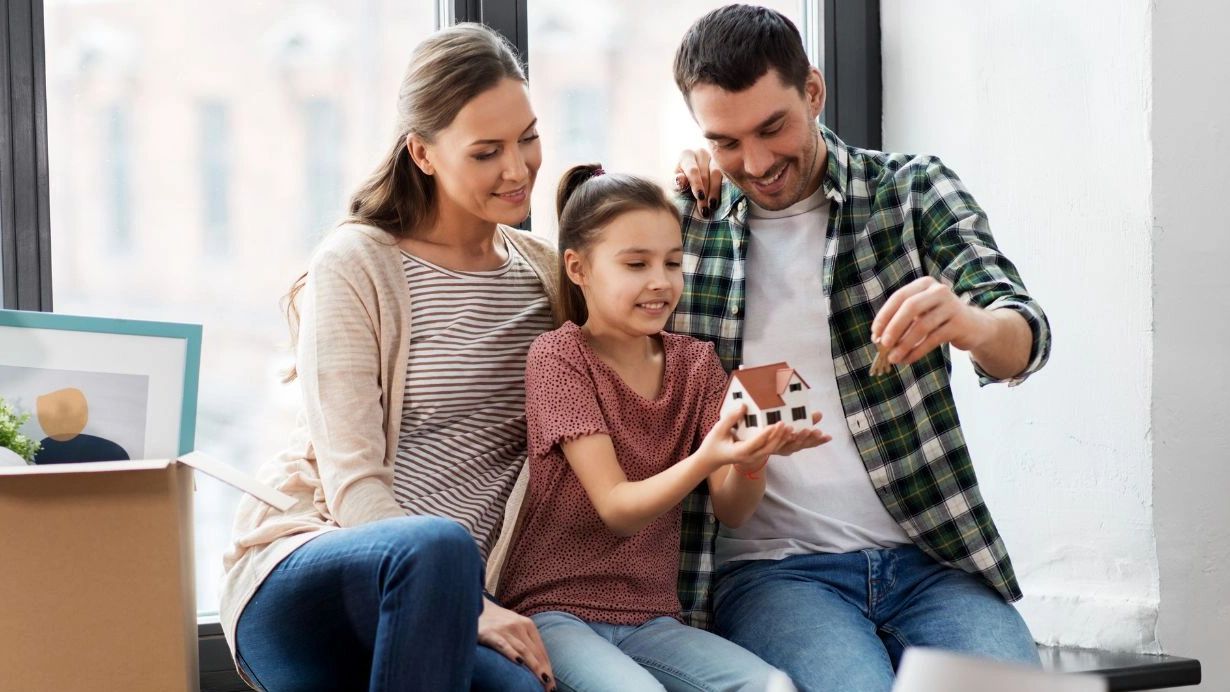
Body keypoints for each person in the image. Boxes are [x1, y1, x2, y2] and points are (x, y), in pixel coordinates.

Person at [668, 5, 1053, 691]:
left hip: (929, 557)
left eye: (773, 126)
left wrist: (967, 322)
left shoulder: (907, 192)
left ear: (813, 91)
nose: (755, 164)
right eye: (725, 142)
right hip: (774, 574)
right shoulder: (686, 229)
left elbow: (1023, 339)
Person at [218, 23, 561, 692]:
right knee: (436, 546)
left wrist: (699, 186)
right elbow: (353, 486)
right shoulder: (358, 264)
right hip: (318, 570)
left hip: (449, 603)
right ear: (423, 154)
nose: (517, 169)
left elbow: (645, 291)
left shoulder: (546, 276)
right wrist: (477, 608)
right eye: (486, 151)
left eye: (528, 138)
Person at [495, 165, 827, 692]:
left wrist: (751, 456)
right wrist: (710, 456)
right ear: (578, 268)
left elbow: (733, 509)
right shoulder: (559, 357)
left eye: (673, 263)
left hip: (650, 619)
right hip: (555, 611)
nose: (660, 281)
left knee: (773, 687)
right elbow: (618, 508)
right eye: (636, 264)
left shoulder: (696, 365)